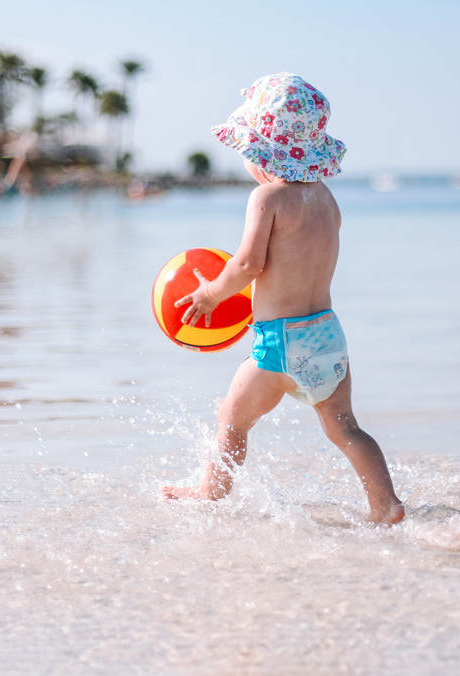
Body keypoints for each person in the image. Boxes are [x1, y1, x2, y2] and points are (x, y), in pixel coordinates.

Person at [160, 73, 405, 525]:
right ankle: (386, 505)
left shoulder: (266, 197)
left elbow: (249, 264)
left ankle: (208, 493)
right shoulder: (326, 200)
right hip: (328, 336)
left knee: (232, 419)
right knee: (346, 428)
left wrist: (211, 293)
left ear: (261, 152)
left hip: (279, 343)